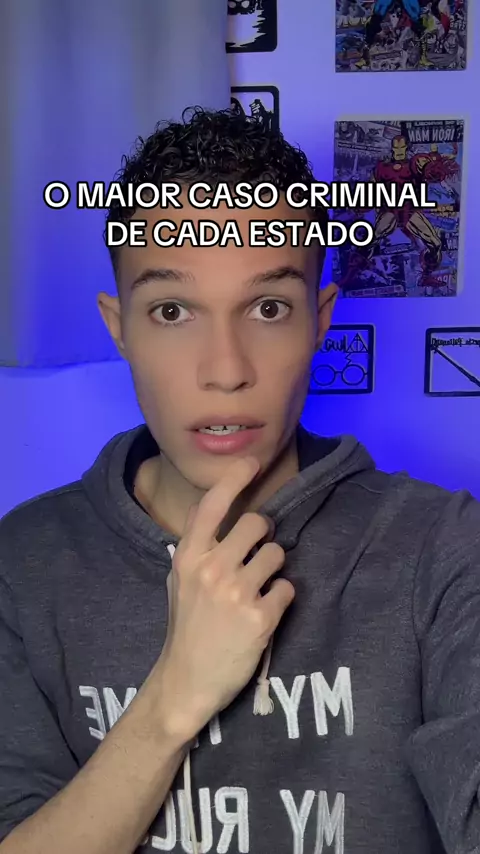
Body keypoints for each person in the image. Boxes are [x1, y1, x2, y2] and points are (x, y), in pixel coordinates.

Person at [0, 107, 479, 854]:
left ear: (319, 318)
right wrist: (174, 697)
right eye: (172, 310)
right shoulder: (22, 561)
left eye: (268, 307)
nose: (226, 371)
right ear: (119, 326)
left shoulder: (443, 547)